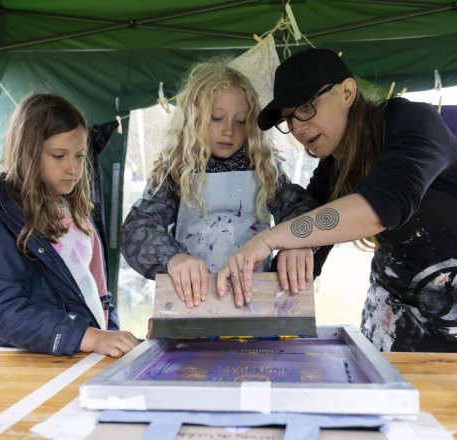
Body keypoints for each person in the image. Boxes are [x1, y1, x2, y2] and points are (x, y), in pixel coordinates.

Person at [217, 48, 457, 353]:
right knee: (385, 387)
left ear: (348, 91)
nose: (297, 126)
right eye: (288, 118)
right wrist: (256, 308)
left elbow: (382, 206)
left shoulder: (412, 121)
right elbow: (311, 237)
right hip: (396, 285)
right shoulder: (332, 167)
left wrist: (269, 239)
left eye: (306, 107)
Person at [0, 93, 139, 357]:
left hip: (82, 357)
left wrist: (109, 334)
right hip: (26, 366)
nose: (73, 169)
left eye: (79, 156)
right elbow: (5, 313)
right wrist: (87, 336)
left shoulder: (80, 213)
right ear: (27, 153)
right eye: (59, 155)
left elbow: (100, 294)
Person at [121, 59, 320, 308]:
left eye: (240, 121)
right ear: (193, 119)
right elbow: (136, 229)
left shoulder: (263, 168)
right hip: (192, 304)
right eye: (217, 118)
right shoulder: (176, 172)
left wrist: (296, 243)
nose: (229, 131)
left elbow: (303, 210)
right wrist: (174, 258)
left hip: (257, 303)